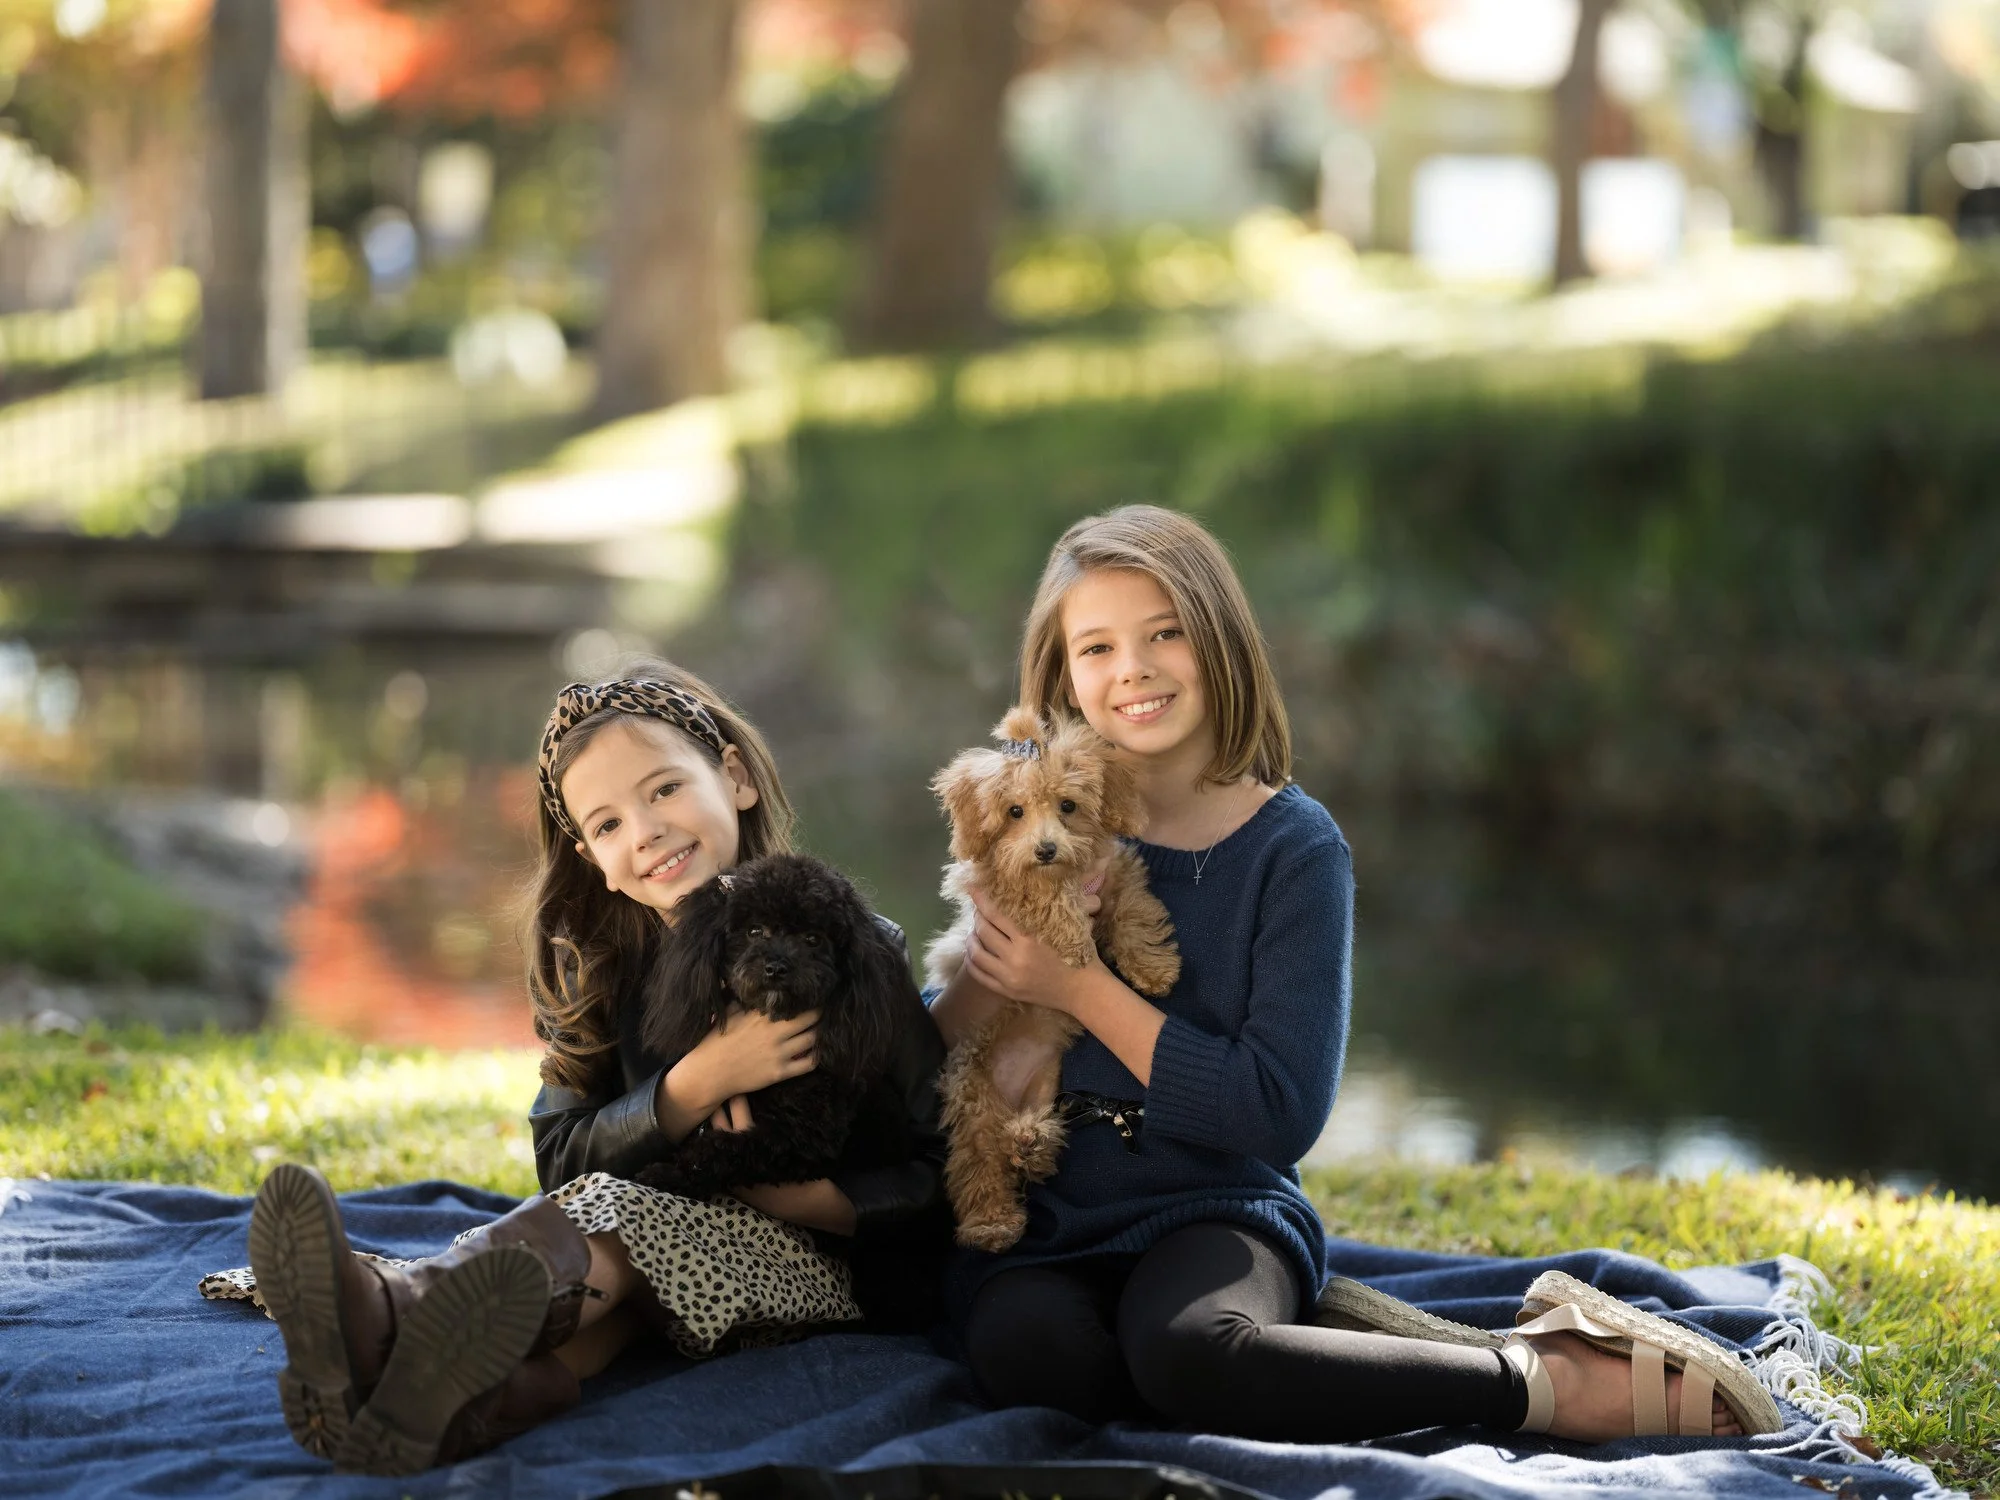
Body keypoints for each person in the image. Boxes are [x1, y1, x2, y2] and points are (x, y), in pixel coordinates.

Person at [927, 506, 1753, 1444]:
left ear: (1223, 644)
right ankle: (1306, 1363)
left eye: (1166, 633)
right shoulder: (1023, 828)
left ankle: (1535, 1379)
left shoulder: (1293, 850)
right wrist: (997, 979)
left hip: (1213, 1206)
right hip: (1050, 1216)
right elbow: (925, 1058)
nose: (1133, 670)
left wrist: (1079, 989)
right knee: (1030, 1362)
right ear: (1061, 674)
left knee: (1191, 1349)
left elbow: (1277, 1110)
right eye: (1097, 647)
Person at [227, 660, 951, 1475]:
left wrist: (820, 1203)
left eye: (664, 790)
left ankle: (385, 1318)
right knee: (601, 1281)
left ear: (737, 778)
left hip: (825, 1271)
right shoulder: (605, 966)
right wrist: (689, 1089)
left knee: (613, 1218)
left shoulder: (855, 947)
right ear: (589, 854)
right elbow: (559, 1156)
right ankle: (416, 1409)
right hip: (655, 1251)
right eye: (606, 824)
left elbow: (946, 1164)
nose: (643, 830)